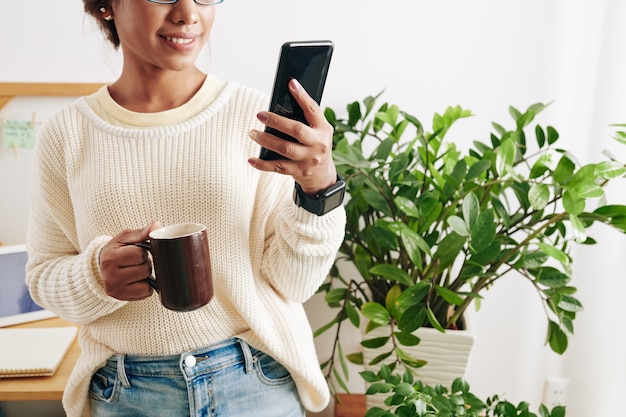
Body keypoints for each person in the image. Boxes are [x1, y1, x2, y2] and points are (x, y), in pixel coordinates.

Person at [25, 0, 346, 416]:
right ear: (106, 5)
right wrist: (95, 275)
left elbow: (293, 283)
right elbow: (43, 276)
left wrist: (318, 189)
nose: (188, 13)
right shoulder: (66, 134)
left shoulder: (257, 121)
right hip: (128, 394)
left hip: (253, 383)